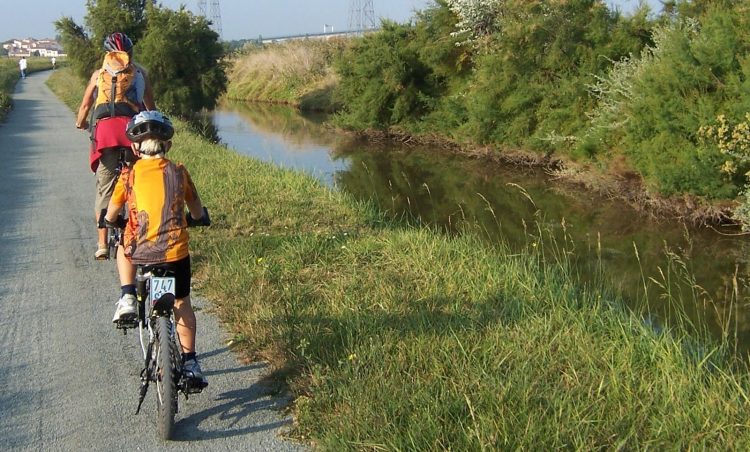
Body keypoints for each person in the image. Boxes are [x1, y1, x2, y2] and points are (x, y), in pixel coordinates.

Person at [104, 110, 209, 384]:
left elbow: (112, 213)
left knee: (124, 240)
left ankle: (127, 295)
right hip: (175, 254)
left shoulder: (127, 176)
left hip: (141, 254)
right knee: (181, 302)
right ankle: (191, 362)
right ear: (168, 146)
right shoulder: (180, 172)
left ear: (135, 148)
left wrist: (111, 220)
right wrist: (197, 218)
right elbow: (196, 211)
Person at [75, 32, 155, 260]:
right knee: (138, 180)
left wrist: (80, 123)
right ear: (129, 53)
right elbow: (151, 108)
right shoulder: (140, 74)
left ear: (108, 54)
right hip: (132, 133)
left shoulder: (98, 75)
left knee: (105, 188)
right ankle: (141, 233)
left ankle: (101, 244)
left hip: (106, 135)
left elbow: (85, 105)